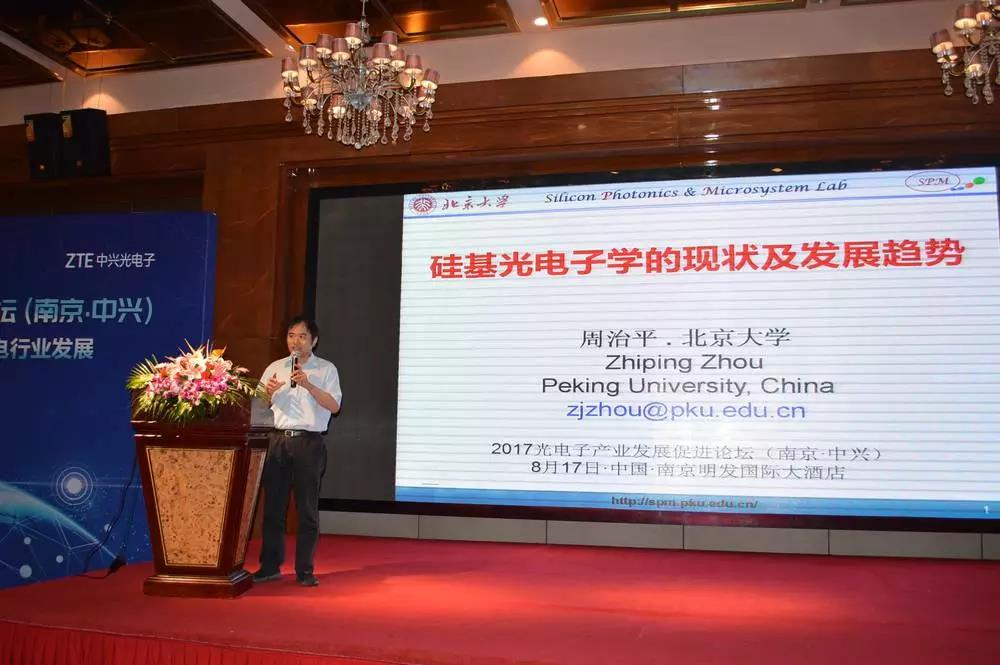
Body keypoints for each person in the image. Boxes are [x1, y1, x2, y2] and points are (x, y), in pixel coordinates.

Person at [253, 315, 342, 587]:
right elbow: (257, 409)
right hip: (277, 441)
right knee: (273, 508)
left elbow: (334, 407)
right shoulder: (275, 368)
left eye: (302, 336)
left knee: (306, 510)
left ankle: (304, 569)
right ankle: (269, 566)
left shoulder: (326, 369)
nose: (296, 341)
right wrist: (267, 394)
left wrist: (309, 385)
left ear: (313, 341)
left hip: (309, 443)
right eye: (291, 335)